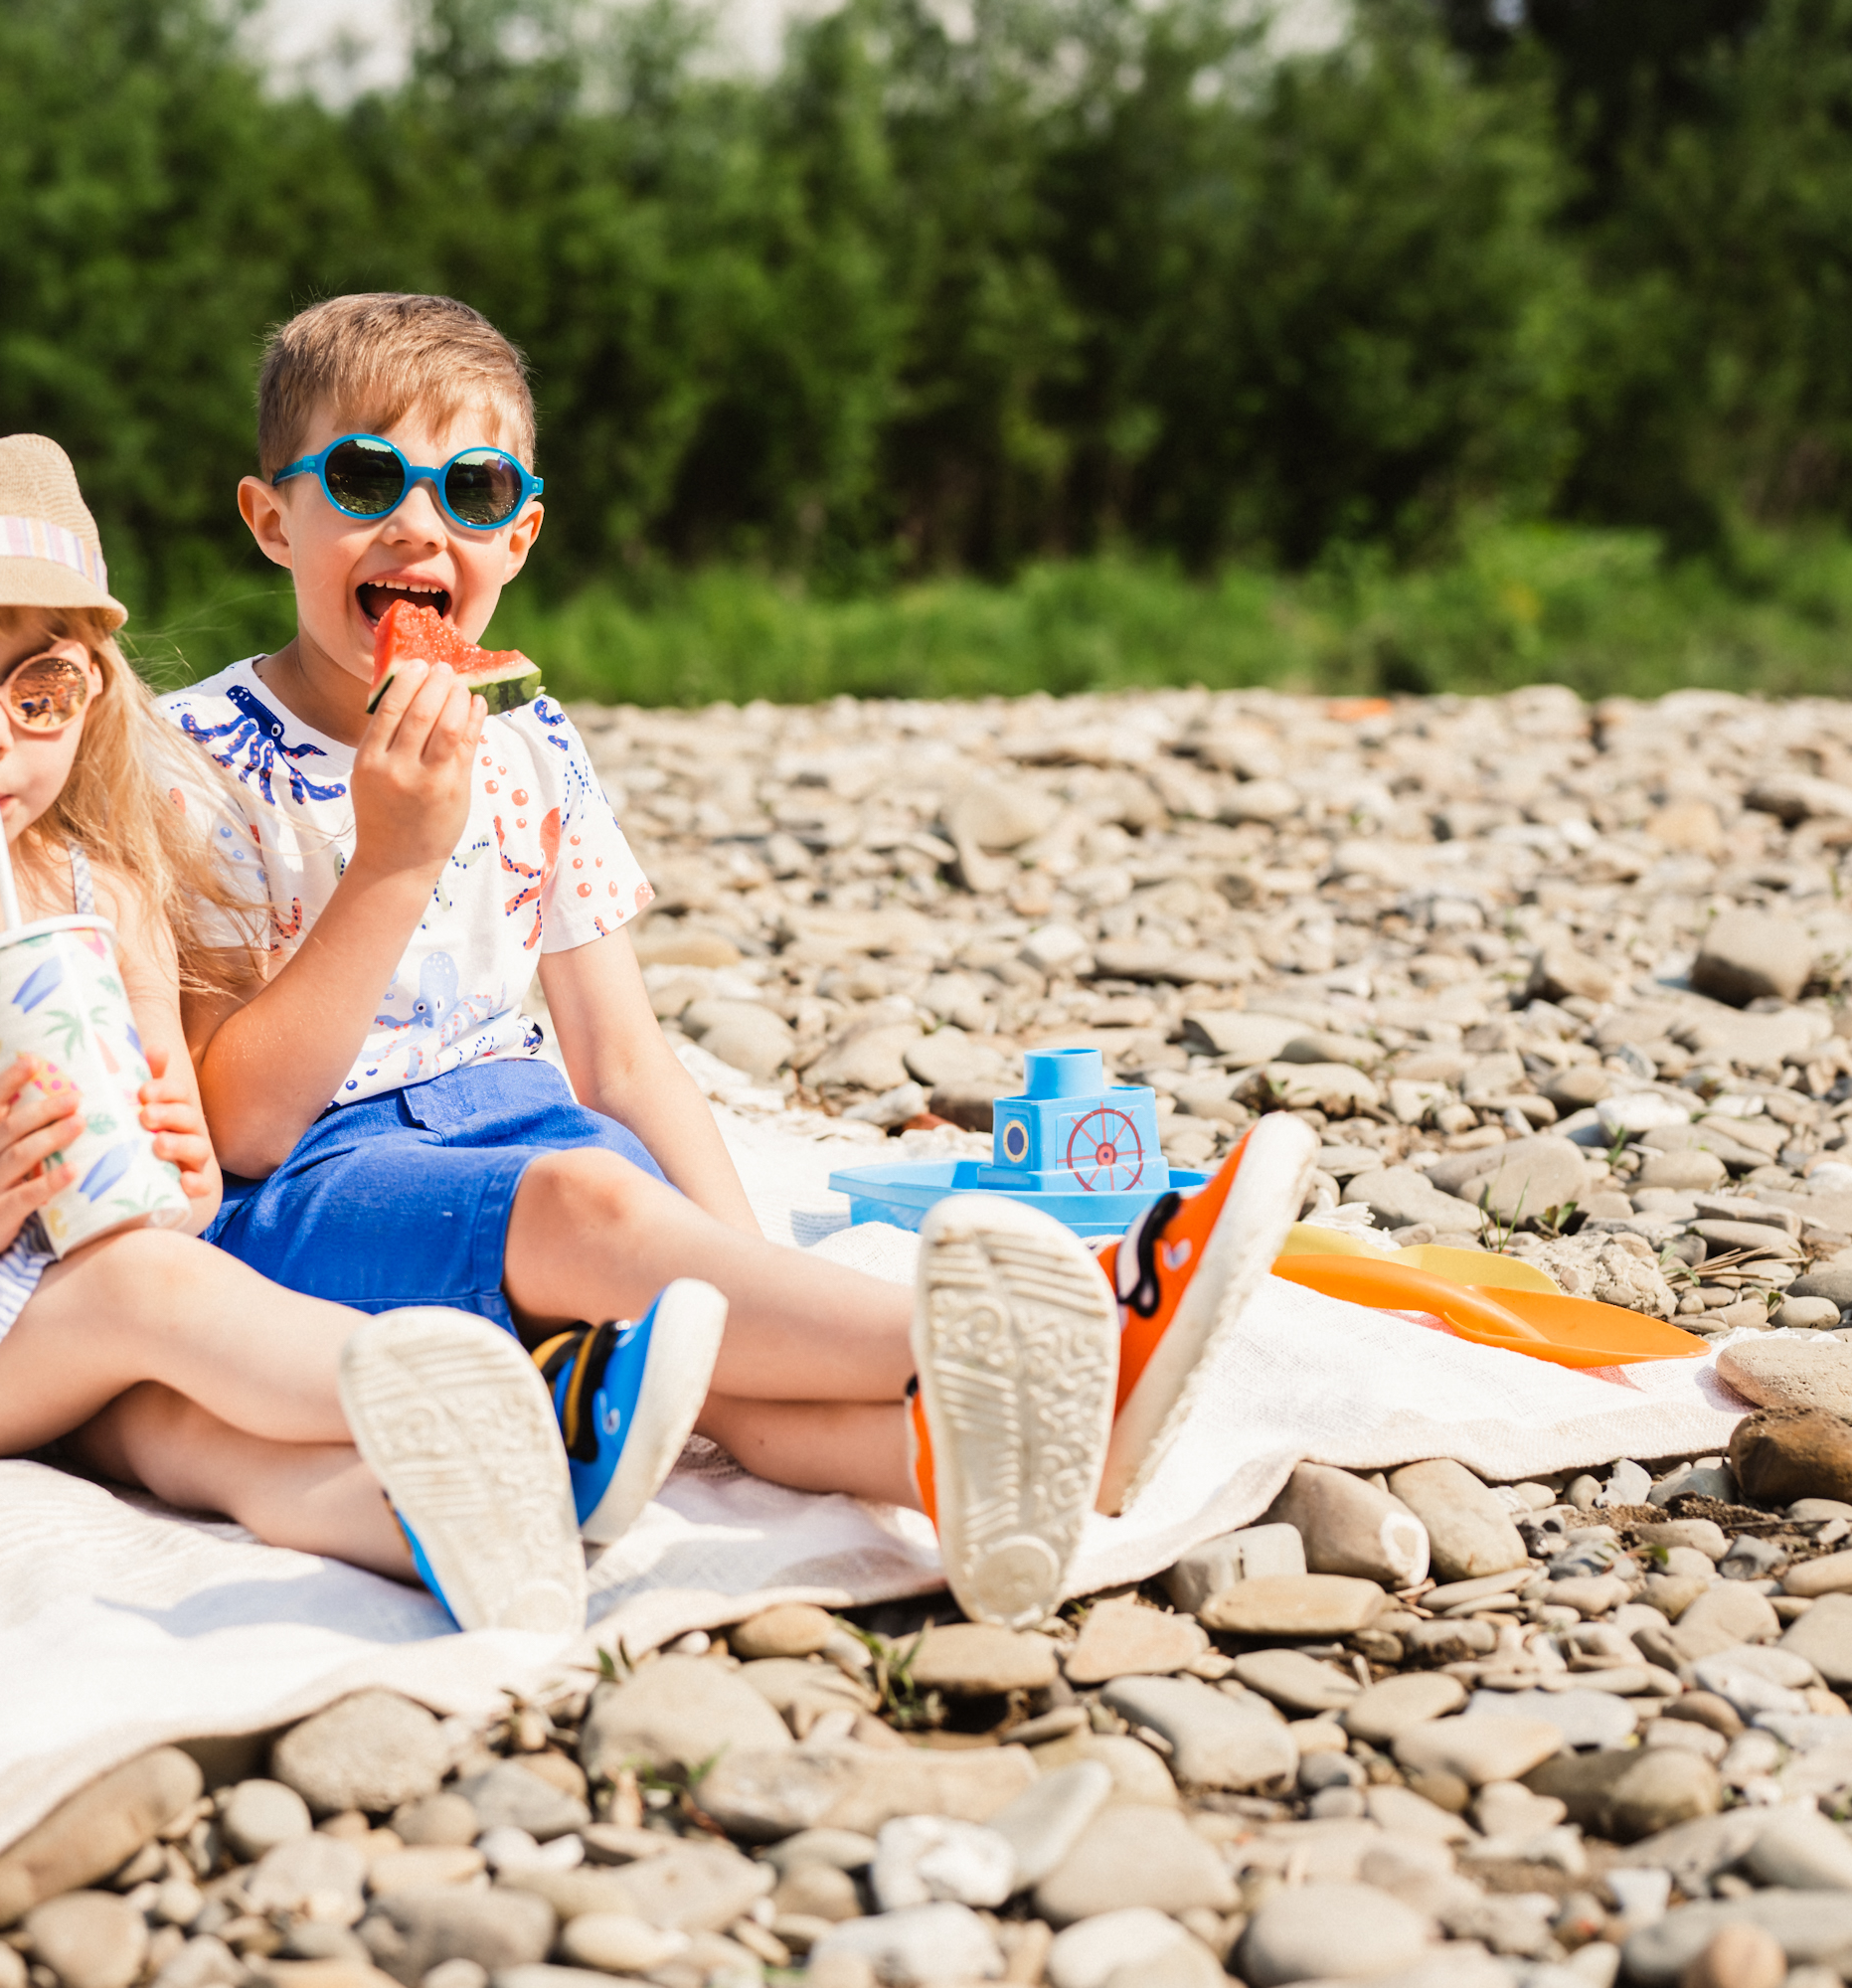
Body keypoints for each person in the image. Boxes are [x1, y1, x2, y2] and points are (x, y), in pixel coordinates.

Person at [167, 293, 1317, 1625]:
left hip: (526, 1129)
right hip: (322, 1190)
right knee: (592, 1205)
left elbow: (621, 1055)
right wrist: (395, 862)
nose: (421, 525)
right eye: (367, 479)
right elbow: (239, 1124)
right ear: (270, 519)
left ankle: (992, 1462)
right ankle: (1072, 1339)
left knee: (737, 1383)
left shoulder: (534, 746)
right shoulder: (189, 761)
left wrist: (739, 1269)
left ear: (520, 536)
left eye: (471, 490)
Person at [0, 430, 598, 1634]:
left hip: (48, 1300)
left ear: (93, 692)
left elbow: (187, 1182)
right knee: (152, 1294)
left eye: (39, 686)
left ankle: (464, 1528)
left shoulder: (103, 895)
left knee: (190, 1430)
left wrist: (179, 1154)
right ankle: (506, 1394)